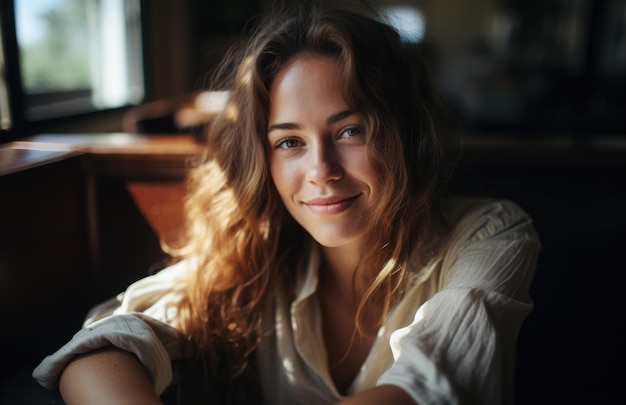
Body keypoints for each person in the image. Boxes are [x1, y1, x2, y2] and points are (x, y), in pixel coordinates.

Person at [32, 1, 540, 404]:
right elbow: (102, 349)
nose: (321, 170)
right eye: (289, 142)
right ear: (265, 158)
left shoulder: (491, 234)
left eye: (350, 130)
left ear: (404, 135)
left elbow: (425, 388)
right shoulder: (250, 258)